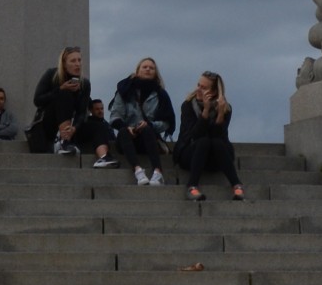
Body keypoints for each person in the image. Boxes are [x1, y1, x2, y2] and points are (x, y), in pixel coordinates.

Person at [26, 45, 112, 160]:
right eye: (73, 61)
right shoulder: (52, 74)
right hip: (48, 125)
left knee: (99, 125)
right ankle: (64, 141)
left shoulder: (85, 84)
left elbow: (82, 112)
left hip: (72, 127)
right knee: (64, 94)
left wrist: (75, 128)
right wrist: (60, 89)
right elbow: (37, 100)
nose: (78, 64)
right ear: (64, 65)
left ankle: (104, 157)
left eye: (79, 60)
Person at [109, 57, 176, 185]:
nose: (148, 69)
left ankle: (158, 172)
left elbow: (166, 122)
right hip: (128, 138)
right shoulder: (125, 90)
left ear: (155, 73)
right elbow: (115, 116)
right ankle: (138, 171)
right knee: (123, 131)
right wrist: (127, 127)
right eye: (144, 67)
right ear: (138, 71)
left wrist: (150, 124)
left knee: (146, 129)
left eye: (151, 68)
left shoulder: (161, 94)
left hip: (149, 138)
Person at [177, 71, 241, 201]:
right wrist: (205, 112)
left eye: (204, 87)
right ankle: (192, 186)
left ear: (213, 92)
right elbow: (194, 135)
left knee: (215, 142)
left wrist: (220, 115)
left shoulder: (226, 108)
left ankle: (237, 185)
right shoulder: (188, 105)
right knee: (203, 141)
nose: (198, 89)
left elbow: (219, 136)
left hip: (215, 155)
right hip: (190, 152)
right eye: (198, 85)